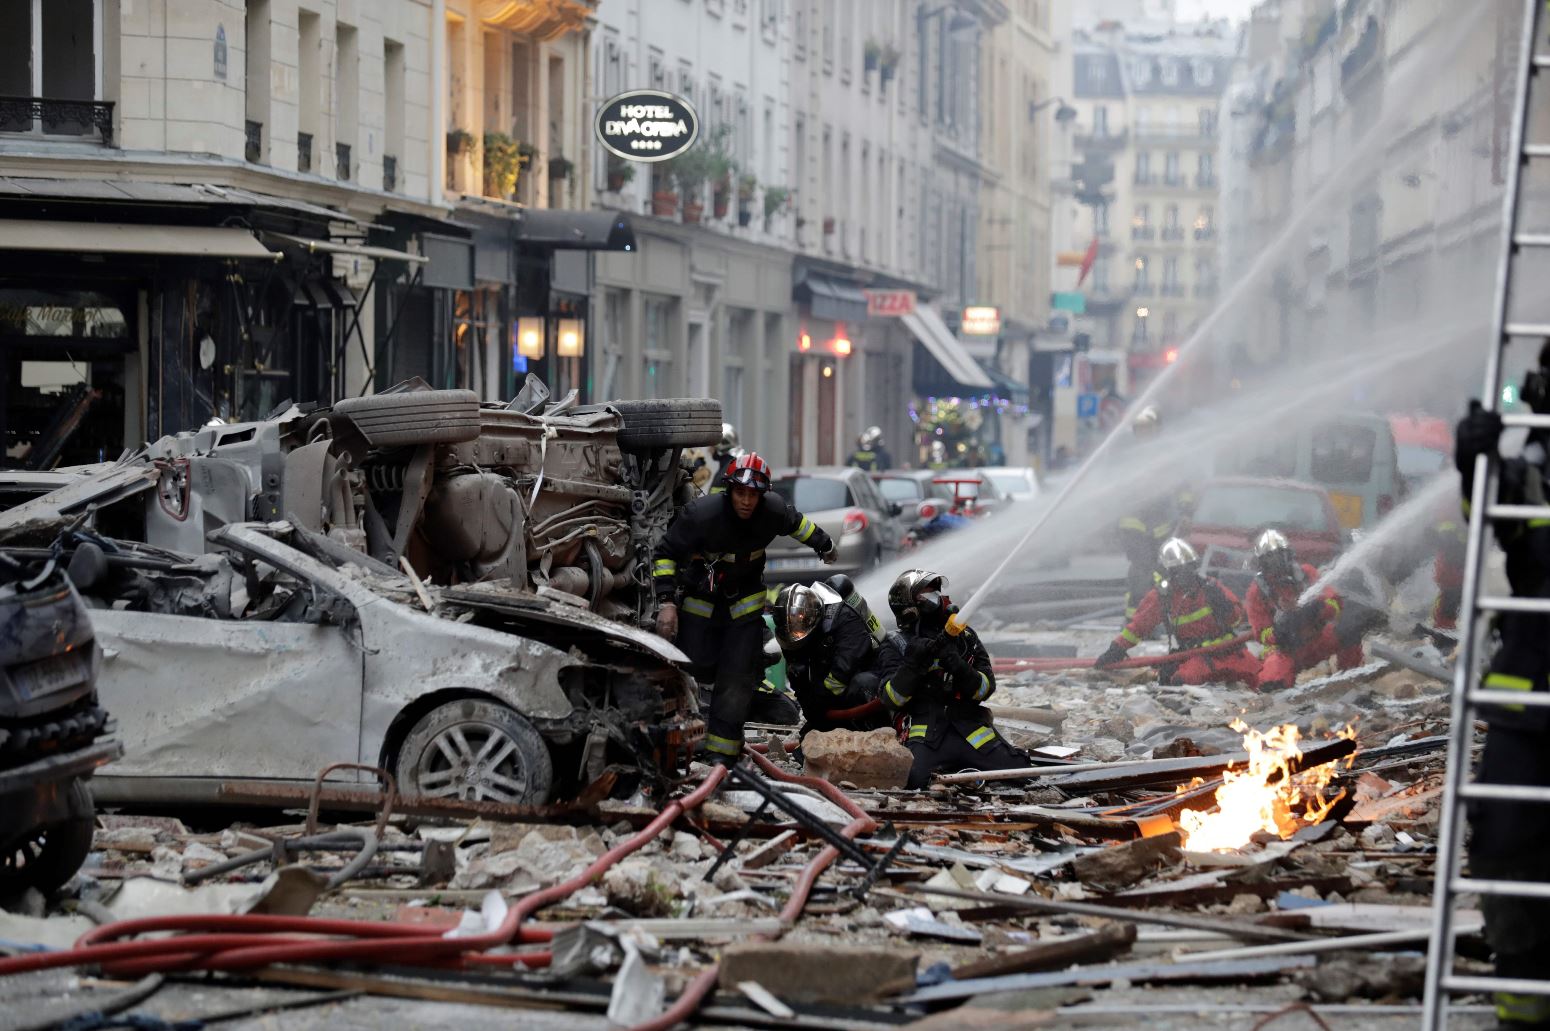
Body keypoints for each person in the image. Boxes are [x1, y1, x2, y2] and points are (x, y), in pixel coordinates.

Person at [1453, 366, 1550, 1026]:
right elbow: (1488, 512)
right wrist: (1474, 461)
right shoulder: (1532, 475)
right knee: (1505, 845)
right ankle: (1521, 1002)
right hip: (1531, 701)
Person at [653, 452, 838, 765]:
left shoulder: (773, 511)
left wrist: (825, 545)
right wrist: (667, 602)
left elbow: (799, 524)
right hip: (701, 603)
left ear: (762, 495)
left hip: (744, 606)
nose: (747, 501)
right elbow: (665, 553)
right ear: (729, 490)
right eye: (741, 493)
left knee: (737, 678)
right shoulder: (701, 514)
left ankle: (721, 759)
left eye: (754, 495)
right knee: (690, 669)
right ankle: (676, 745)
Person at [878, 569, 1030, 788]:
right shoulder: (896, 645)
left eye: (936, 594)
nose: (937, 600)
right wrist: (912, 665)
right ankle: (957, 772)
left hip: (970, 728)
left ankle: (963, 771)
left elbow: (985, 689)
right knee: (912, 782)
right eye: (927, 596)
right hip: (926, 732)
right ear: (909, 609)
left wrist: (957, 664)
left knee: (1023, 774)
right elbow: (892, 699)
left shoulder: (964, 637)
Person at [1095, 538, 1260, 686]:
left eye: (1188, 568)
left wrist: (1226, 608)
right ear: (1168, 573)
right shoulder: (1162, 597)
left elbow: (1238, 620)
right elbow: (1138, 627)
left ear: (1194, 566)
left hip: (1230, 653)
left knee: (1261, 677)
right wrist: (1116, 649)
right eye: (1178, 570)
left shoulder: (1211, 588)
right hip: (1197, 657)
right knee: (1183, 680)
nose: (1185, 574)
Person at [772, 576, 894, 737]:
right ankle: (831, 728)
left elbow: (844, 668)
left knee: (863, 683)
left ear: (813, 617)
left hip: (867, 674)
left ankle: (876, 733)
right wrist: (812, 709)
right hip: (831, 683)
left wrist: (820, 699)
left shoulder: (844, 618)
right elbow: (796, 669)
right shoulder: (793, 630)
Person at [1243, 529, 1363, 692]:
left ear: (1288, 555)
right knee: (1272, 681)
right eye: (1270, 559)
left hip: (1317, 639)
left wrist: (1317, 608)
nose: (1276, 563)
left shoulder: (1306, 573)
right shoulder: (1257, 591)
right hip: (1286, 650)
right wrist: (1280, 632)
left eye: (1280, 556)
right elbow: (1260, 633)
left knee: (1349, 630)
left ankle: (1350, 679)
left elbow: (1335, 603)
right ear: (1261, 563)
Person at [1115, 406, 1194, 620]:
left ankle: (1158, 617)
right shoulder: (1129, 458)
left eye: (1147, 428)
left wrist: (1186, 512)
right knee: (1142, 569)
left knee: (1162, 571)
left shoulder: (1167, 456)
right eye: (1139, 429)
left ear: (1157, 429)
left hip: (1162, 524)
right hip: (1133, 525)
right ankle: (1135, 619)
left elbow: (1183, 488)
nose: (1143, 433)